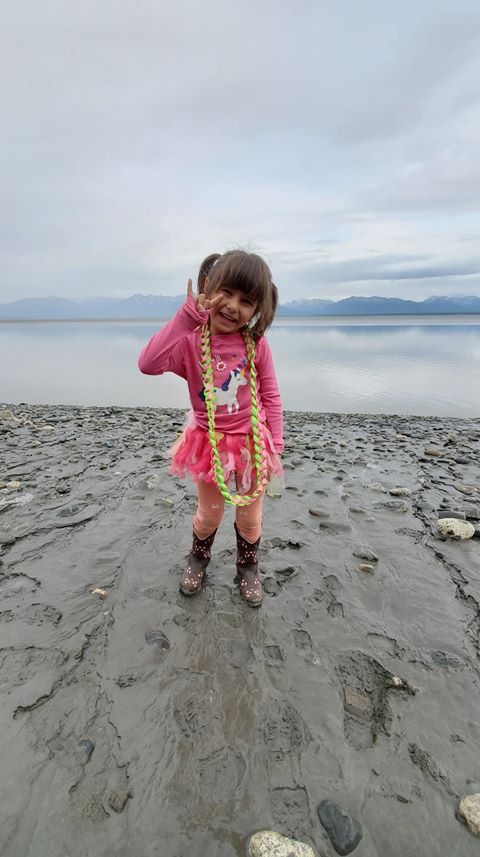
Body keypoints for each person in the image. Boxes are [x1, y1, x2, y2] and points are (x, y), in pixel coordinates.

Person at [138, 249, 283, 607]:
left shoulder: (256, 345)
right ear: (208, 288)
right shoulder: (191, 341)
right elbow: (148, 363)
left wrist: (276, 445)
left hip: (252, 443)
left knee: (250, 515)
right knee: (210, 512)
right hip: (209, 444)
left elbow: (271, 395)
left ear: (258, 308)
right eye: (226, 293)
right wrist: (187, 318)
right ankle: (198, 558)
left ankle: (247, 566)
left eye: (246, 301)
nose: (232, 307)